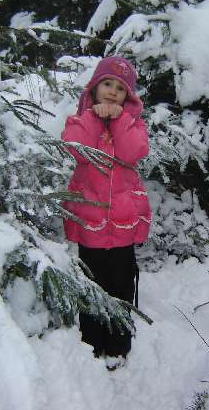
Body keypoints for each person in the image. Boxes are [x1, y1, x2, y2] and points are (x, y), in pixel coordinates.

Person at [61, 56, 151, 370]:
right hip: (91, 225)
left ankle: (118, 345)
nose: (113, 92)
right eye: (107, 84)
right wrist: (94, 118)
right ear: (95, 88)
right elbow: (76, 148)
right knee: (92, 284)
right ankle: (92, 343)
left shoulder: (133, 124)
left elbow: (133, 152)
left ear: (128, 96)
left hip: (123, 225)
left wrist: (120, 120)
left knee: (121, 285)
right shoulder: (80, 121)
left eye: (120, 88)